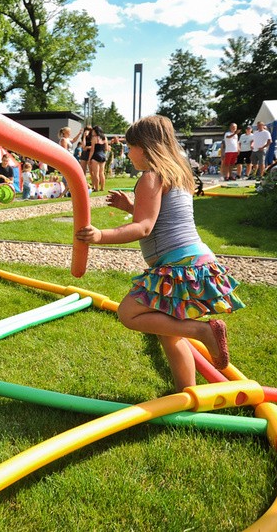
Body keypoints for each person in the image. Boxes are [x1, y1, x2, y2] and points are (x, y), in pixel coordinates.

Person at [76, 115, 244, 391]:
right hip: (196, 260)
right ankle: (186, 393)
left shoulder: (150, 177)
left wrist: (100, 236)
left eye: (130, 147)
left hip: (178, 263)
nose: (128, 154)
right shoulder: (176, 175)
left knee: (128, 314)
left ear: (145, 147)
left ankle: (203, 332)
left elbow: (143, 227)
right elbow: (163, 217)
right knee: (169, 333)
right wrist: (132, 207)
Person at [89, 125, 109, 192]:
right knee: (102, 173)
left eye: (93, 131)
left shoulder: (94, 138)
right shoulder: (104, 138)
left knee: (96, 173)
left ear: (95, 131)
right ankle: (102, 188)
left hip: (96, 155)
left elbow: (92, 150)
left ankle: (96, 188)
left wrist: (89, 159)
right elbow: (106, 148)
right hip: (103, 155)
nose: (92, 132)